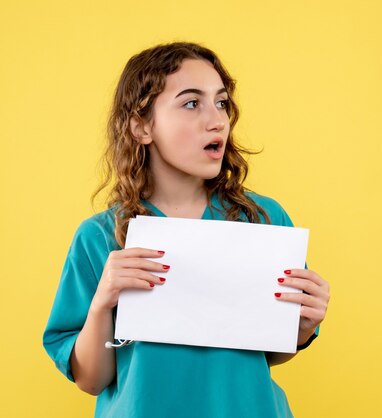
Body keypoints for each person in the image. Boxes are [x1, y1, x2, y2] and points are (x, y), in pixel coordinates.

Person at [43, 41, 330, 418]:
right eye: (192, 103)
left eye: (222, 102)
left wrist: (304, 324)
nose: (216, 120)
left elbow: (272, 352)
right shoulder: (100, 237)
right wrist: (102, 302)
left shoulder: (261, 218)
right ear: (141, 126)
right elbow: (91, 379)